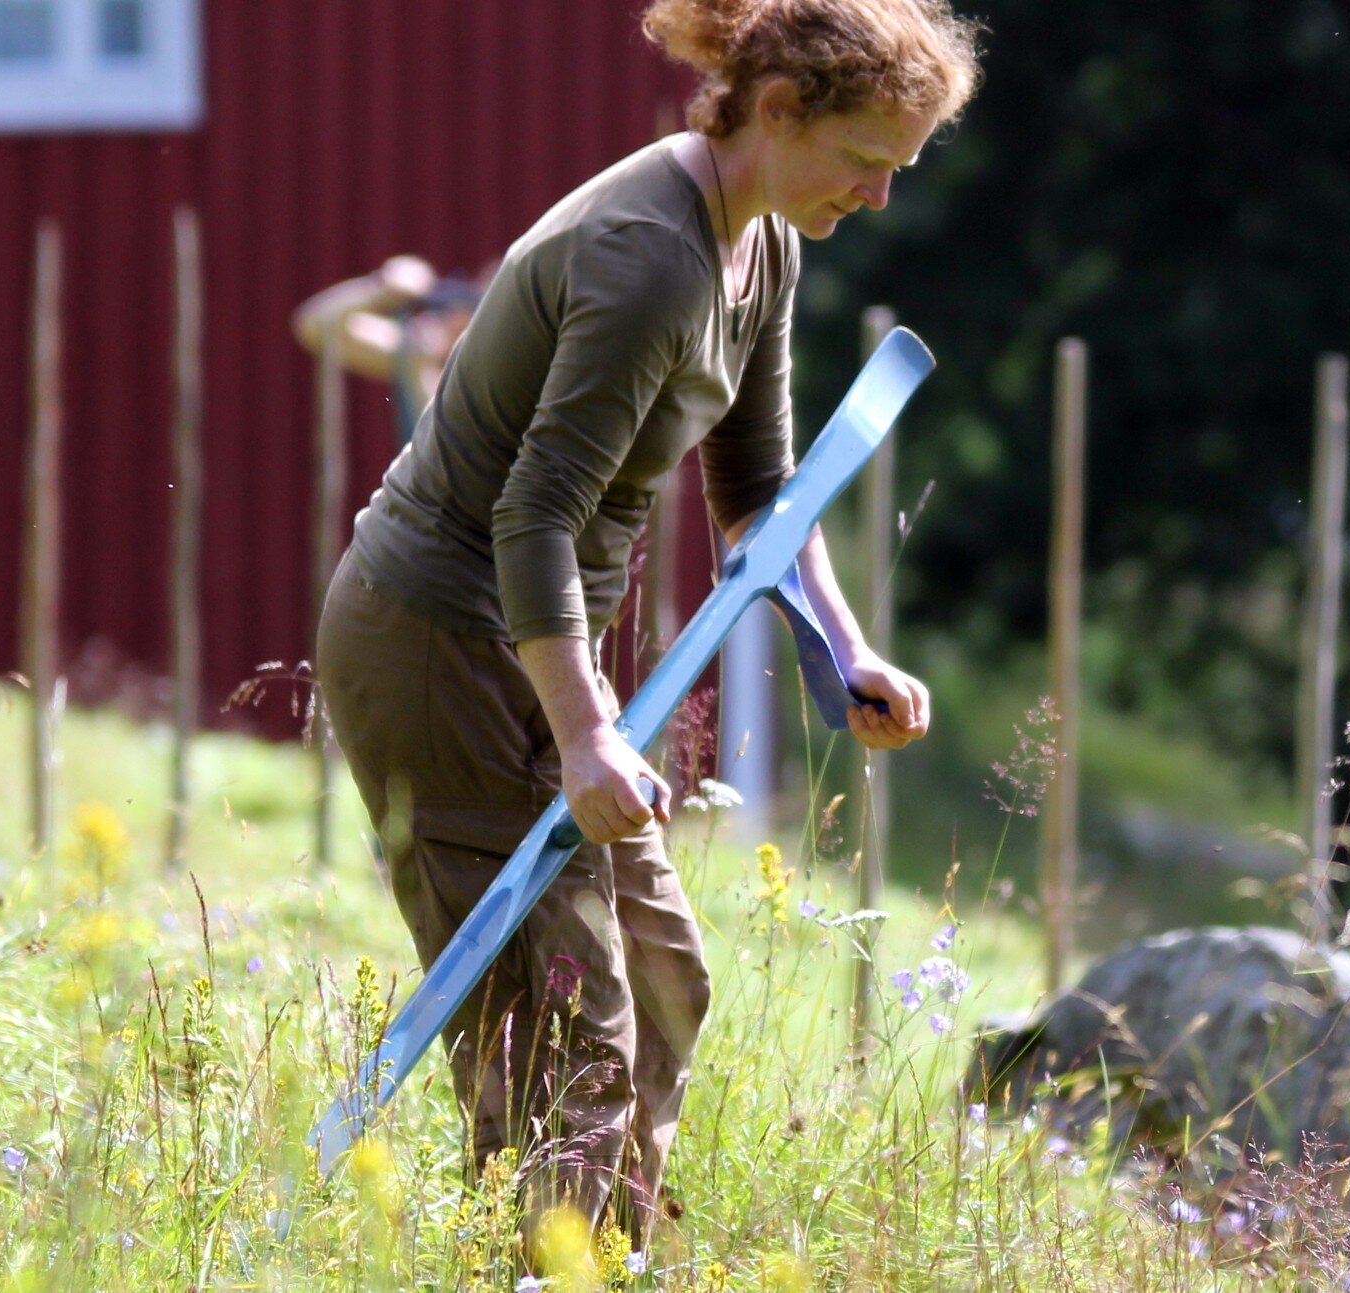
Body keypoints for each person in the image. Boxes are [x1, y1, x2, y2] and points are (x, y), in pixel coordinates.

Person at [313, 0, 980, 1255]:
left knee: (665, 982)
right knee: (567, 1028)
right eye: (867, 162)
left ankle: (603, 1253)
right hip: (437, 645)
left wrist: (846, 649)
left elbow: (762, 493)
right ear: (777, 113)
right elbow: (532, 518)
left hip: (529, 644)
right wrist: (581, 740)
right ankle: (548, 1262)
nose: (880, 198)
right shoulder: (644, 257)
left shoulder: (762, 242)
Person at [291, 254, 486, 446]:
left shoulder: (488, 373)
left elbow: (446, 445)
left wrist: (421, 367)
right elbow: (316, 326)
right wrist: (381, 288)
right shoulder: (418, 351)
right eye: (438, 312)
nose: (434, 321)